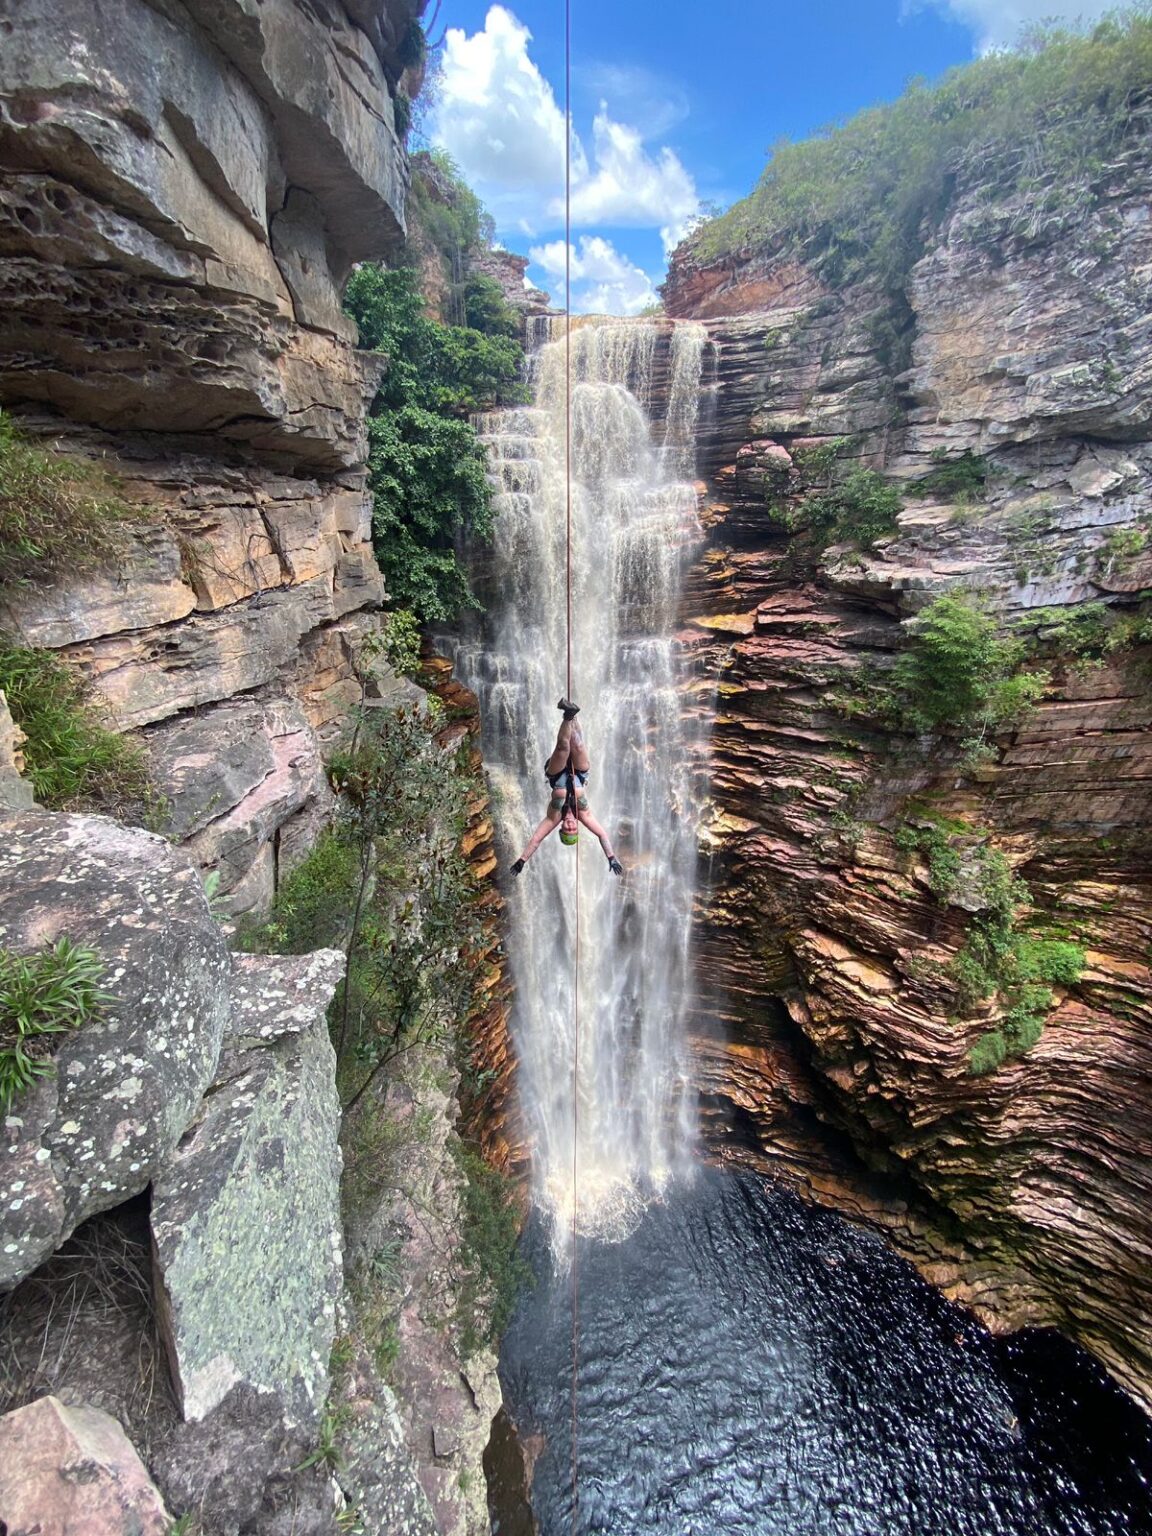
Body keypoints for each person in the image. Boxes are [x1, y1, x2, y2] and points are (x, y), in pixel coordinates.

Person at [510, 698, 623, 877]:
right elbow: (602, 835)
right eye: (573, 829)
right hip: (580, 774)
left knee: (564, 747)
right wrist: (611, 857)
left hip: (556, 775)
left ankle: (568, 715)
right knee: (577, 745)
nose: (570, 826)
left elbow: (537, 839)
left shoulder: (554, 817)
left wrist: (522, 860)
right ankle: (573, 715)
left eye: (567, 830)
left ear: (562, 828)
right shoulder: (583, 815)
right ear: (576, 828)